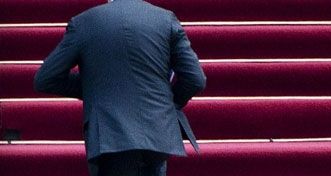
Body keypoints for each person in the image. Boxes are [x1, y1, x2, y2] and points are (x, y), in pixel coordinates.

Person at [33, 0, 206, 175]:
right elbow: (195, 79)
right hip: (156, 132)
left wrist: (96, 87)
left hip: (110, 136)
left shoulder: (84, 22)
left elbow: (46, 78)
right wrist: (166, 103)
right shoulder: (165, 19)